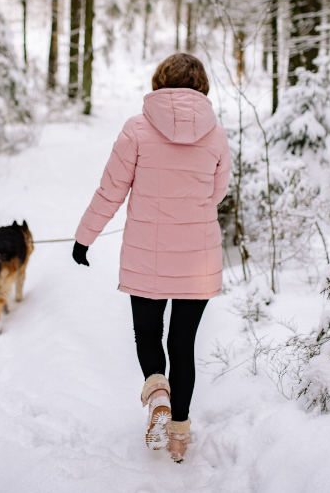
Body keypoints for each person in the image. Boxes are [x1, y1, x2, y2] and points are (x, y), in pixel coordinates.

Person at [72, 53, 231, 463]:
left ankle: (157, 392)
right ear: (202, 88)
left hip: (147, 255)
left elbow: (111, 190)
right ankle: (179, 437)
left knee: (148, 334)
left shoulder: (137, 129)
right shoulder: (216, 134)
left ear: (159, 81)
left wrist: (84, 238)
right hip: (198, 257)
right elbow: (217, 192)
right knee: (183, 344)